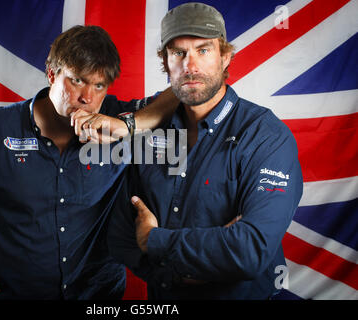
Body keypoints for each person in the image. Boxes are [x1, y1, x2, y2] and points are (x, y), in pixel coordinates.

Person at [0, 25, 178, 300]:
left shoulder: (116, 121)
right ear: (52, 74)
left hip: (99, 294)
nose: (88, 97)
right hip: (14, 293)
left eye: (99, 85)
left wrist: (128, 126)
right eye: (77, 81)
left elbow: (182, 93)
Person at [107, 3, 303, 300]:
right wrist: (176, 274)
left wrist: (155, 240)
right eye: (178, 53)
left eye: (203, 50)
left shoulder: (265, 136)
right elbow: (120, 235)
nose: (190, 66)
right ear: (165, 61)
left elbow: (252, 249)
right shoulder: (148, 134)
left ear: (225, 57)